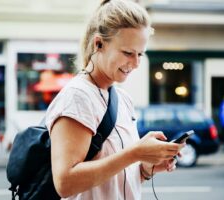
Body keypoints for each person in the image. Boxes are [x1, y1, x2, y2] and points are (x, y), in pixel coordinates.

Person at [45, 0, 184, 199]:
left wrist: (146, 167)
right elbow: (65, 183)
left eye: (140, 54)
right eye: (128, 53)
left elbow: (116, 179)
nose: (135, 63)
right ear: (98, 43)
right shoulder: (77, 96)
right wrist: (135, 153)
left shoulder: (122, 99)